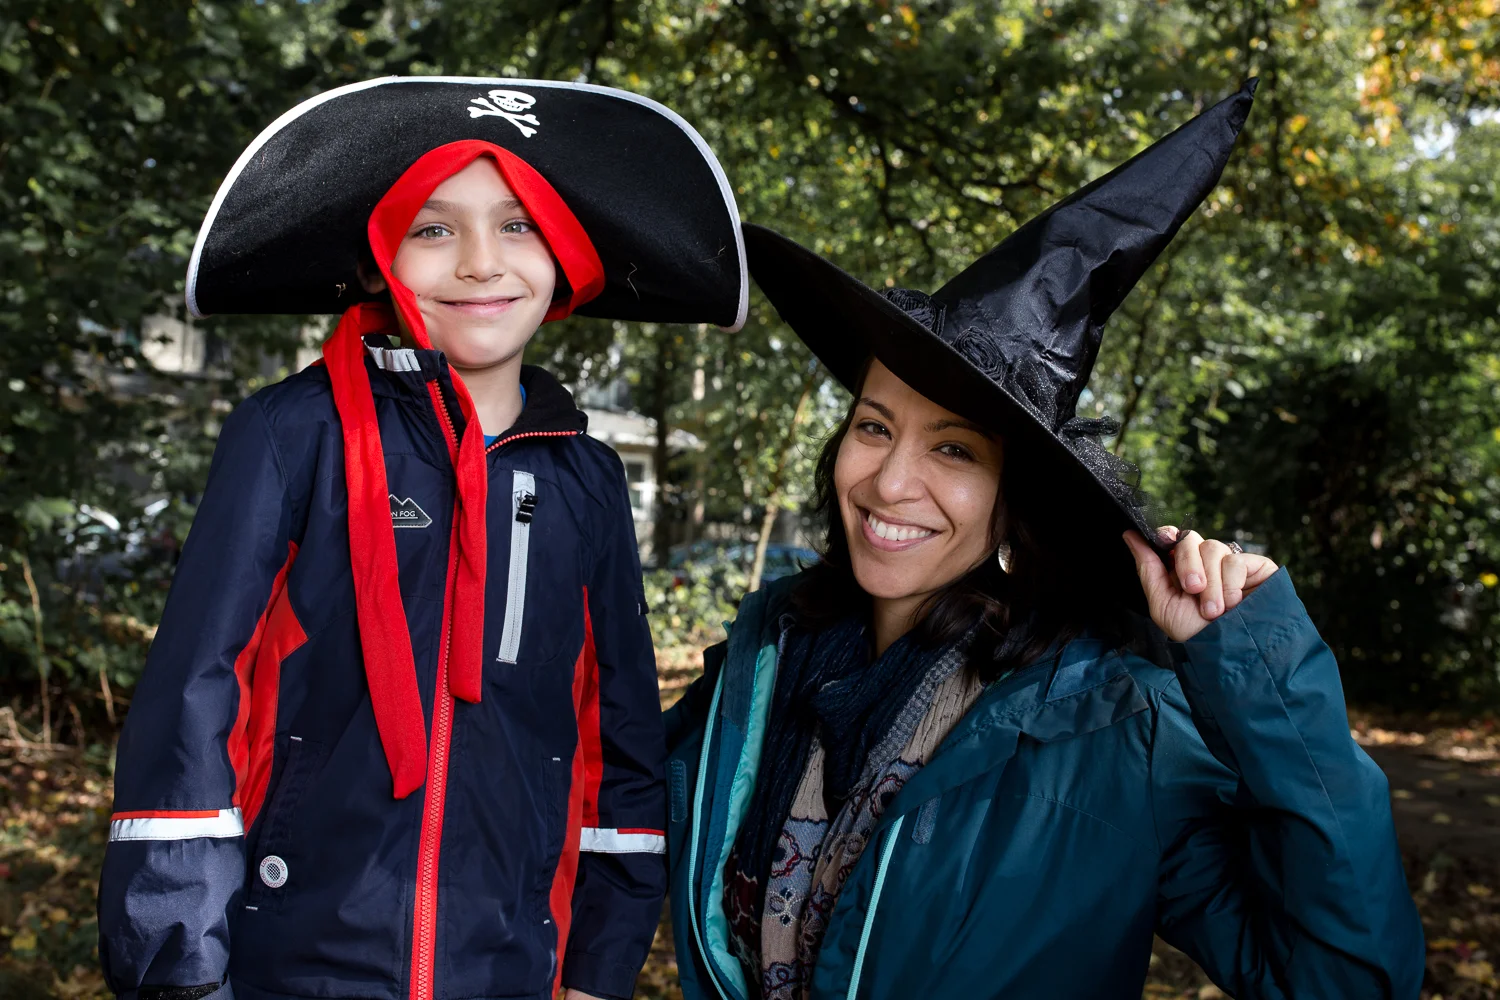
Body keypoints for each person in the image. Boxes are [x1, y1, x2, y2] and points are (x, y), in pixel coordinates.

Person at [665, 81, 1424, 1000]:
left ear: (1016, 500)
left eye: (953, 449)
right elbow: (587, 807)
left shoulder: (1111, 727)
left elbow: (1342, 979)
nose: (889, 481)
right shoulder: (764, 659)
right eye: (873, 426)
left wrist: (1261, 672)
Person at [98, 77, 748, 1000]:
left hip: (511, 966)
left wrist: (599, 968)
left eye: (519, 225)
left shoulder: (589, 480)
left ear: (567, 259)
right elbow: (192, 699)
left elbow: (619, 734)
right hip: (292, 966)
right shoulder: (291, 435)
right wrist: (183, 974)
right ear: (377, 263)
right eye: (435, 229)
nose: (482, 263)